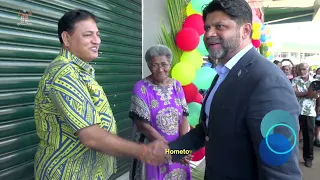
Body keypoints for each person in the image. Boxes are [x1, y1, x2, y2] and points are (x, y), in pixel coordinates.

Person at [167, 0, 301, 179]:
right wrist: (171, 152)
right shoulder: (223, 74)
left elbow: (280, 170)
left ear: (245, 30)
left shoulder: (269, 81)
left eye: (220, 26)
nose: (209, 34)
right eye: (207, 28)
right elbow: (206, 131)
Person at [34, 9, 168, 180]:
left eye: (97, 34)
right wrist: (145, 151)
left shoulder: (80, 71)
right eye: (88, 35)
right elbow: (91, 137)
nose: (97, 40)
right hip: (67, 174)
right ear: (66, 38)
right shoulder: (64, 73)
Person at [129, 45, 192, 180]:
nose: (160, 69)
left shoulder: (176, 85)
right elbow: (143, 126)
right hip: (152, 149)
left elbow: (184, 118)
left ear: (170, 64)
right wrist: (172, 151)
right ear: (149, 66)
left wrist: (182, 149)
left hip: (177, 149)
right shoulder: (141, 87)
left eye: (164, 64)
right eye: (155, 65)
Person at [292, 63, 319, 167]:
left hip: (309, 112)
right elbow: (294, 93)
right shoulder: (295, 80)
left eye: (304, 69)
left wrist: (318, 108)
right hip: (296, 110)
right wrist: (309, 93)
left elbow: (317, 96)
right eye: (300, 69)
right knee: (293, 134)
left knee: (309, 137)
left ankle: (309, 158)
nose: (302, 71)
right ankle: (291, 158)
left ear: (308, 69)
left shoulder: (314, 81)